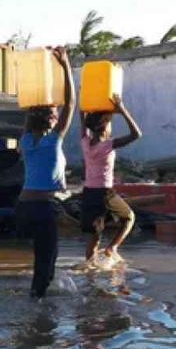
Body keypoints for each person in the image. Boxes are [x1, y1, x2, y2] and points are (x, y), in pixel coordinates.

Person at [16, 47, 75, 298]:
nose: (58, 115)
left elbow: (30, 117)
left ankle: (40, 298)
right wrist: (65, 65)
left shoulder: (26, 141)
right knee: (45, 261)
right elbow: (72, 102)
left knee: (47, 257)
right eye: (54, 113)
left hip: (23, 207)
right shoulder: (53, 141)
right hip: (41, 208)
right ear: (52, 121)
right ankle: (38, 316)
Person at [79, 94, 142, 265]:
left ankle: (89, 275)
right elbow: (137, 134)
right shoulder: (108, 145)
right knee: (129, 217)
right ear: (104, 127)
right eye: (109, 122)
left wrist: (84, 99)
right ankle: (112, 248)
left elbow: (82, 118)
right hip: (104, 193)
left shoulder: (85, 141)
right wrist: (122, 109)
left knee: (94, 237)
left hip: (88, 193)